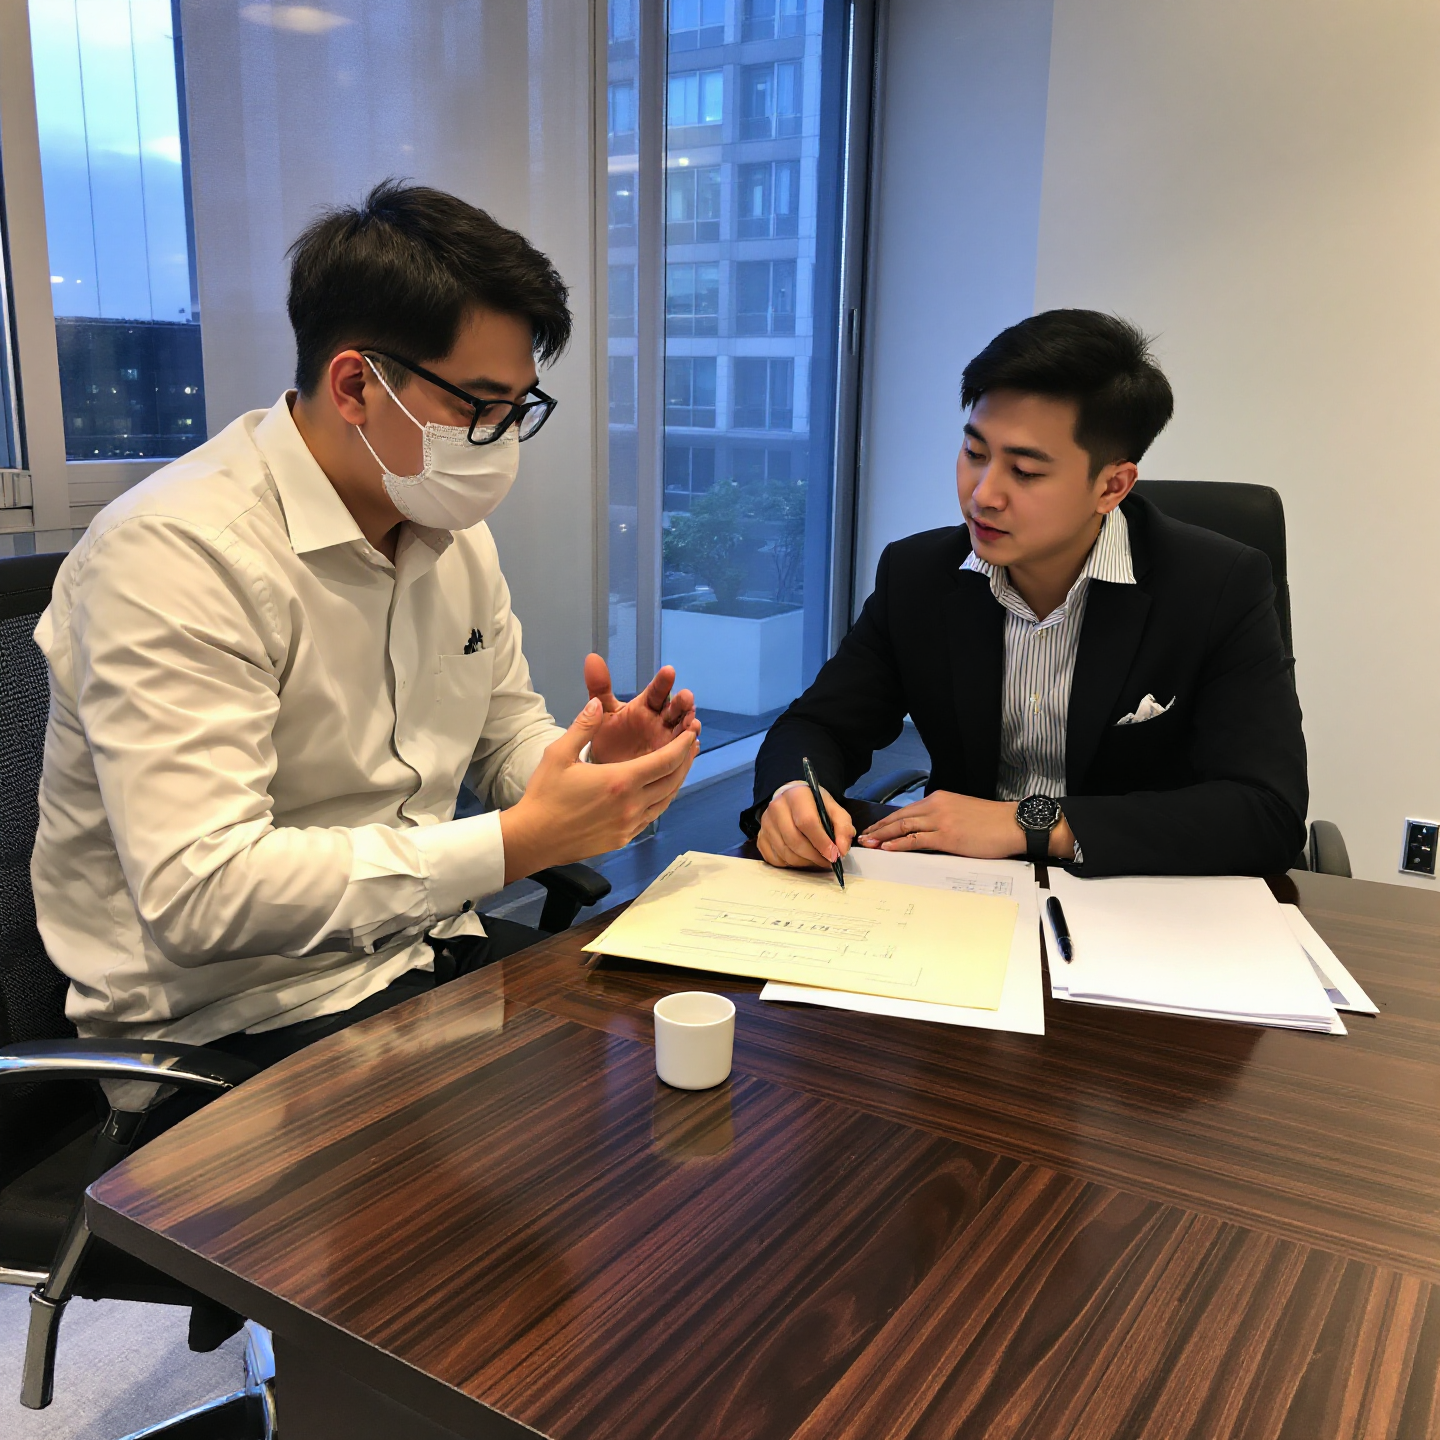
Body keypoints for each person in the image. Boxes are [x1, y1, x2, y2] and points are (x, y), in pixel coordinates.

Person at [32, 181, 699, 1070]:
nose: (500, 442)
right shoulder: (178, 552)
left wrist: (585, 767)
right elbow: (202, 894)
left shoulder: (450, 533)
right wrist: (514, 843)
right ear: (355, 385)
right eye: (478, 407)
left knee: (671, 1077)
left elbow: (505, 739)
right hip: (233, 1028)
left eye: (517, 411)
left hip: (427, 962)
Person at [744, 308, 1307, 877]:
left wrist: (1031, 824)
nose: (983, 495)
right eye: (975, 453)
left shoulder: (1218, 586)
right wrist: (793, 793)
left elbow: (1266, 811)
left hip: (1131, 891)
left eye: (1026, 472)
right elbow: (819, 725)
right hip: (961, 890)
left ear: (1112, 486)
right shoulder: (918, 574)